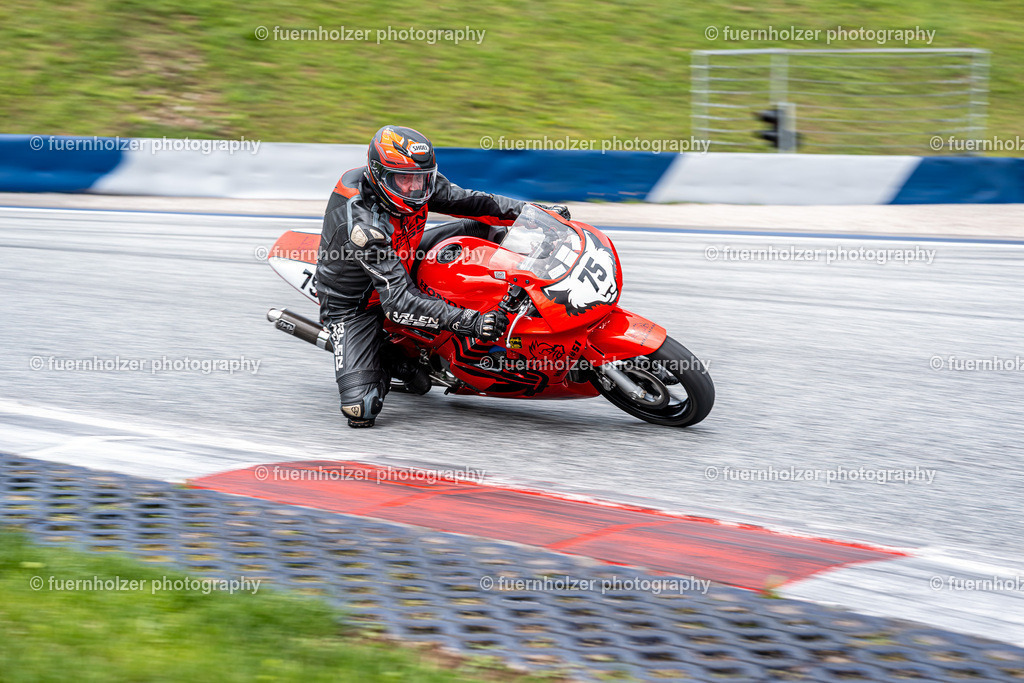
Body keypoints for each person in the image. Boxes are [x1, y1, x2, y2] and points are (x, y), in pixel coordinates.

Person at [316, 125, 569, 428]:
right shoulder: (363, 224)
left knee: (485, 230)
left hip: (406, 255)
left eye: (422, 179)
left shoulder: (417, 182)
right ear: (378, 175)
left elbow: (477, 203)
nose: (414, 189)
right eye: (404, 180)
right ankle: (389, 355)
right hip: (359, 303)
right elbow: (398, 301)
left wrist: (535, 214)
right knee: (361, 410)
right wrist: (471, 321)